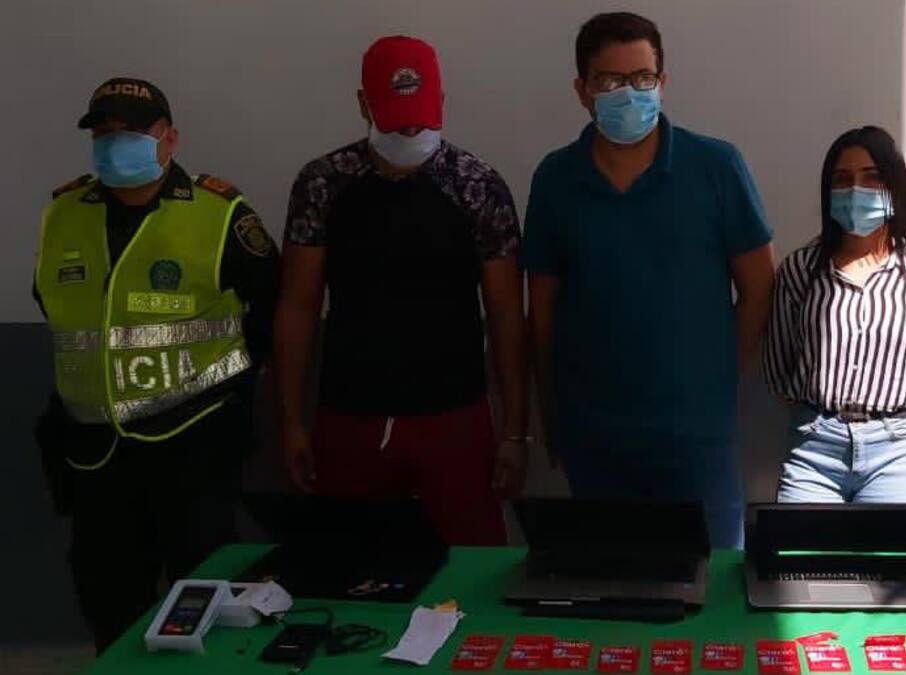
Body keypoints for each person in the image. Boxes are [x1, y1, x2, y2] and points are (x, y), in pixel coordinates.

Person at [33, 77, 280, 652]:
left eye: (132, 131)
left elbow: (272, 304)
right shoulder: (63, 212)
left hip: (194, 444)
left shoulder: (219, 213)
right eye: (103, 132)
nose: (114, 143)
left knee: (206, 605)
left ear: (169, 138)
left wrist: (240, 386)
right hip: (95, 453)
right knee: (108, 602)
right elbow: (55, 305)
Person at [522, 12, 776, 548]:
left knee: (710, 585)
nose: (629, 93)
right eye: (611, 81)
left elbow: (759, 288)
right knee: (609, 586)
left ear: (662, 82)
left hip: (696, 441)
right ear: (582, 90)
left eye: (642, 78)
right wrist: (550, 418)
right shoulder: (555, 179)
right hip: (595, 441)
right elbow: (541, 313)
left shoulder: (716, 167)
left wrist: (715, 379)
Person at [274, 36, 526, 546]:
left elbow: (505, 314)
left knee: (469, 569)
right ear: (364, 104)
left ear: (442, 102)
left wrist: (516, 431)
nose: (412, 132)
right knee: (348, 567)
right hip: (350, 416)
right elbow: (298, 306)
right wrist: (292, 421)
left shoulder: (476, 185)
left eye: (421, 119)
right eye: (397, 121)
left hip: (455, 416)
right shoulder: (324, 184)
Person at [764, 127, 906, 504]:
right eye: (842, 180)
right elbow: (780, 369)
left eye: (872, 177)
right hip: (813, 451)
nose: (856, 190)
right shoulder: (800, 271)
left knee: (893, 546)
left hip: (898, 453)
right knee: (800, 545)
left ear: (895, 187)